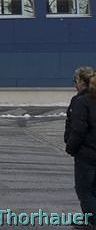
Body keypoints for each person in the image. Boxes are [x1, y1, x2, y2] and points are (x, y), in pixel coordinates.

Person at [65, 66, 96, 224]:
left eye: (75, 81)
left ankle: (92, 221)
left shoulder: (81, 102)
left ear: (82, 83)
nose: (74, 85)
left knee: (84, 191)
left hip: (86, 154)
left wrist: (70, 147)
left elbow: (78, 129)